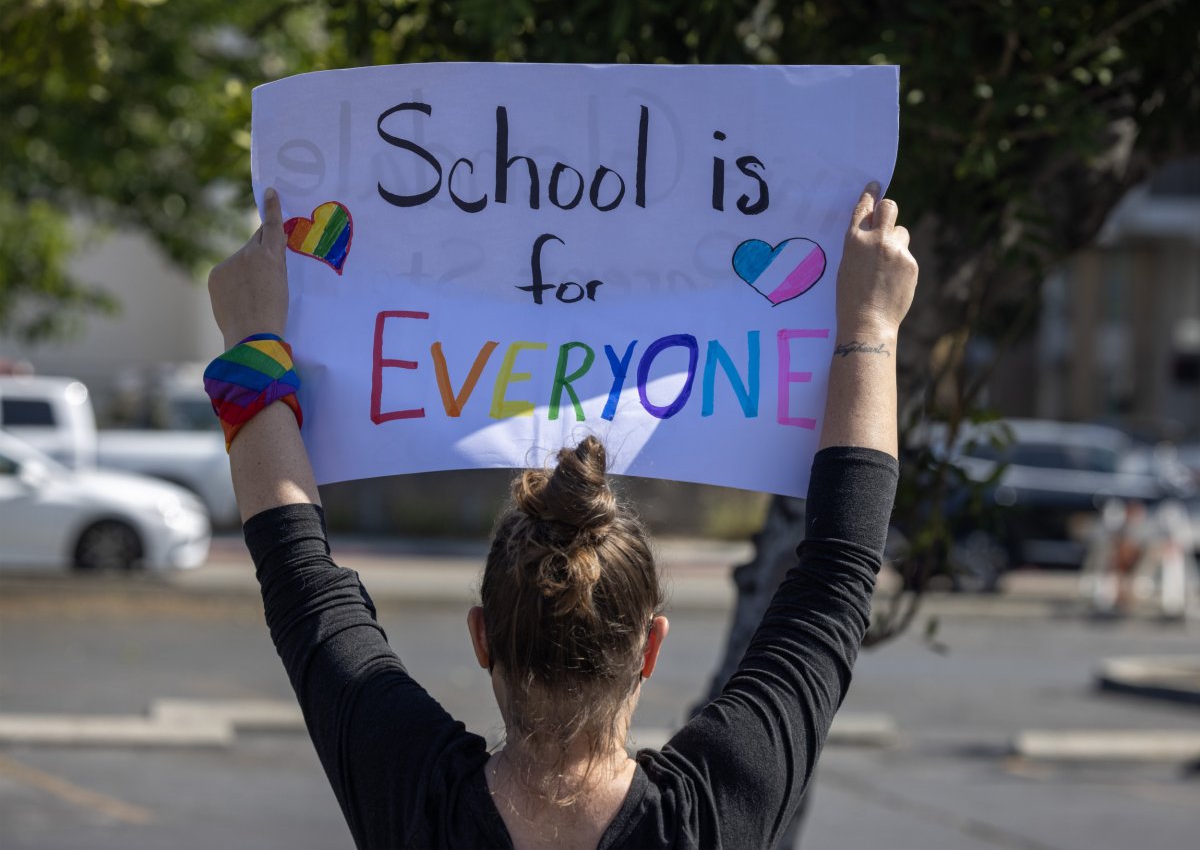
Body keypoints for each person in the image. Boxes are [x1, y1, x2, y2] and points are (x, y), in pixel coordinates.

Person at [205, 181, 917, 849]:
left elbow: (300, 577)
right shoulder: (713, 812)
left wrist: (253, 338)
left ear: (483, 636)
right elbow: (836, 576)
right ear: (650, 647)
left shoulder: (414, 794)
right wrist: (870, 327)